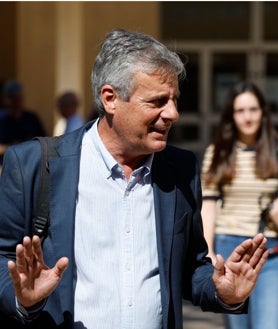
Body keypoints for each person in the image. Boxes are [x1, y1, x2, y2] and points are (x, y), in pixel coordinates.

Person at [0, 30, 268, 329]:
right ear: (111, 98)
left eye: (175, 100)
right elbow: (3, 259)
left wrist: (222, 292)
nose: (173, 113)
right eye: (157, 101)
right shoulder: (35, 166)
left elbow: (190, 268)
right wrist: (22, 297)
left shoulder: (180, 169)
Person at [201, 81, 278, 329]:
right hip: (229, 249)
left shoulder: (275, 151)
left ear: (263, 113)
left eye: (253, 110)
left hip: (269, 252)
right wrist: (209, 252)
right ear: (231, 116)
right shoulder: (218, 153)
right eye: (240, 111)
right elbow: (209, 205)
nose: (247, 117)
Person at [0, 79, 46, 166]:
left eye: (18, 97)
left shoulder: (31, 118)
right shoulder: (2, 119)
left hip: (29, 165)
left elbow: (43, 142)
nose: (16, 101)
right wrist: (14, 147)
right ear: (5, 99)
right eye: (13, 97)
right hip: (5, 166)